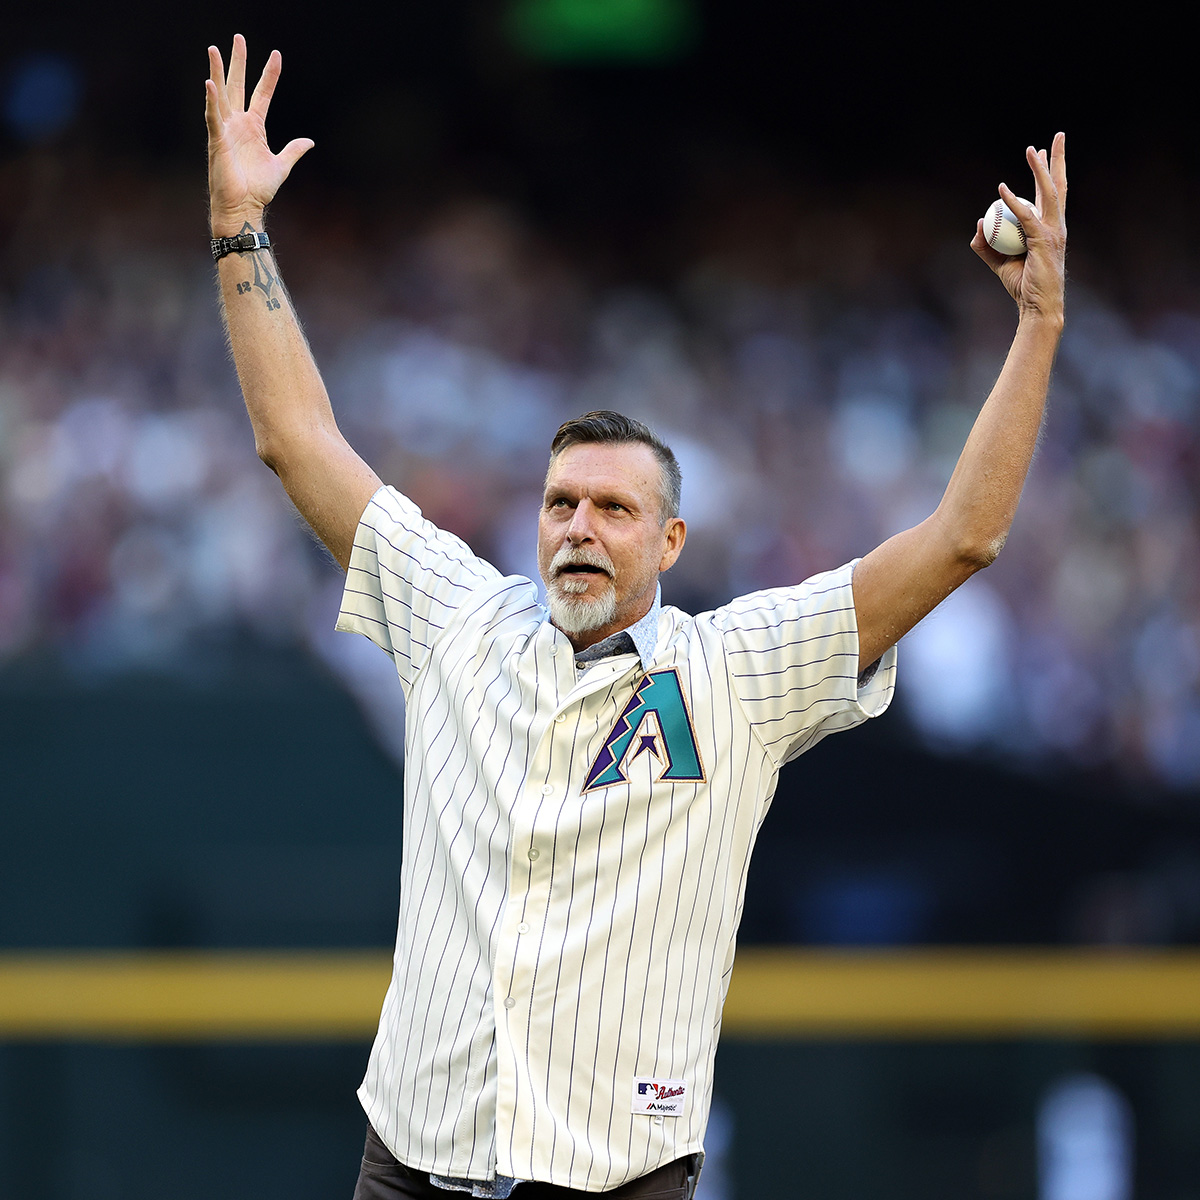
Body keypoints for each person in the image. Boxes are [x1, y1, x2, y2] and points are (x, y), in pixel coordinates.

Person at [204, 35, 1067, 1200]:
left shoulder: (737, 674)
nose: (579, 526)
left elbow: (963, 537)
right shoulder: (458, 612)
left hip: (614, 1175)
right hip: (412, 1161)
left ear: (669, 544)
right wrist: (239, 229)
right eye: (561, 502)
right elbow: (294, 439)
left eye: (614, 508)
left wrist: (1038, 329)